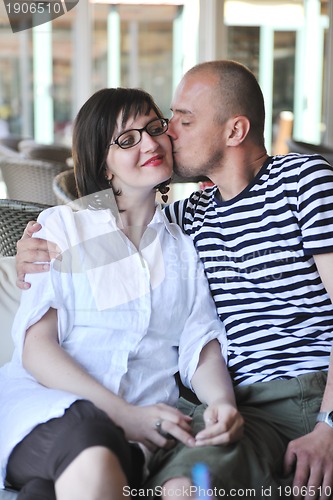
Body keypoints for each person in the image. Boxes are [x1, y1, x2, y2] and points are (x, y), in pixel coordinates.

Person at [15, 60, 333, 500]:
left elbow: (198, 339)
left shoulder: (303, 182)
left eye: (178, 121)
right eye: (170, 121)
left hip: (308, 390)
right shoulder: (187, 221)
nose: (166, 136)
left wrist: (329, 423)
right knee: (179, 487)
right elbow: (104, 245)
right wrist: (29, 249)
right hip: (227, 406)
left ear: (234, 131)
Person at [0, 87, 244, 500]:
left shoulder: (184, 246)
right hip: (46, 412)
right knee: (93, 443)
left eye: (153, 128)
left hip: (132, 439)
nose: (150, 143)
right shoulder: (63, 228)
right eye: (127, 139)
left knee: (55, 486)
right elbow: (36, 348)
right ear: (104, 164)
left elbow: (199, 343)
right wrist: (124, 415)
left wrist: (222, 402)